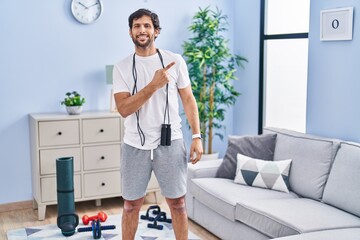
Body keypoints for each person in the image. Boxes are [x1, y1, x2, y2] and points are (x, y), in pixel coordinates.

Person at [112, 8, 203, 240]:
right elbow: (124, 109)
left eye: (146, 26)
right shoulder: (121, 67)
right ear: (130, 32)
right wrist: (153, 85)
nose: (141, 30)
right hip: (134, 145)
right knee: (131, 205)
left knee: (178, 203)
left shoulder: (175, 61)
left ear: (156, 31)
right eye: (136, 26)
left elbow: (189, 100)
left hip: (170, 143)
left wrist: (196, 136)